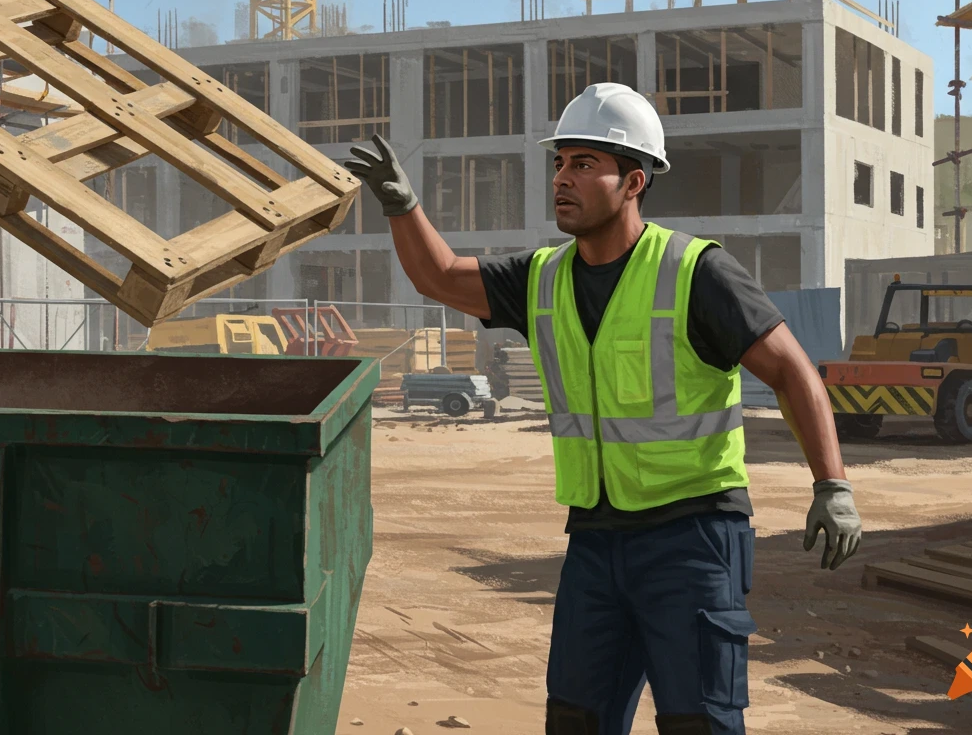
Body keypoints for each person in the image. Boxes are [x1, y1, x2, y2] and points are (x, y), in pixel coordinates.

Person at [345, 82, 862, 735]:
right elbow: (442, 276)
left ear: (634, 181)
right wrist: (401, 203)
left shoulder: (696, 271)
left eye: (584, 164)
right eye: (560, 162)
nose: (562, 178)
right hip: (595, 537)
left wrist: (833, 485)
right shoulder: (541, 279)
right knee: (576, 721)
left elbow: (791, 370)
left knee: (698, 722)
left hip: (694, 538)